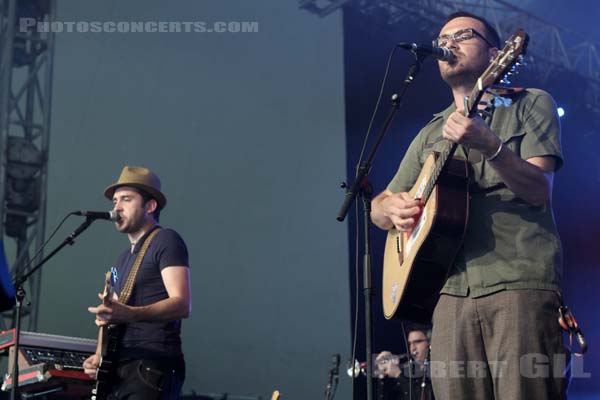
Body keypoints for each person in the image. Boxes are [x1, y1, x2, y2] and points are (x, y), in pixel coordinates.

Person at [371, 11, 568, 400]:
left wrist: (489, 145)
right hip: (447, 297)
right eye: (444, 37)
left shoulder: (530, 104)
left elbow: (538, 189)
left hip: (518, 283)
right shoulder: (431, 132)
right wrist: (390, 209)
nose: (450, 43)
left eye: (463, 35)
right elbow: (379, 205)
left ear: (496, 53)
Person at [83, 165, 192, 399]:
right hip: (121, 367)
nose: (116, 207)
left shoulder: (166, 240)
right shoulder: (123, 258)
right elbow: (112, 314)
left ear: (150, 206)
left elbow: (182, 304)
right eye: (114, 201)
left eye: (126, 199)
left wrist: (130, 313)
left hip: (152, 364)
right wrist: (99, 354)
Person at [376, 328, 435, 400]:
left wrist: (398, 375)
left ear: (429, 343)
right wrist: (383, 378)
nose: (413, 348)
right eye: (410, 343)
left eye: (417, 342)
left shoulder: (434, 370)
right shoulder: (409, 369)